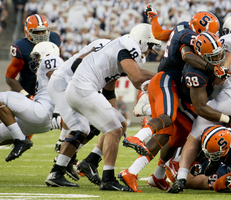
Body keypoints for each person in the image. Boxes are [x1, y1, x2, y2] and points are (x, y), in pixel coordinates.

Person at [118, 31, 231, 192]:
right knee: (187, 129)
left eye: (219, 54)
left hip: (177, 94)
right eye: (214, 56)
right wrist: (226, 118)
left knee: (173, 138)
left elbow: (212, 69)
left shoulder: (195, 48)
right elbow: (201, 107)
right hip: (171, 90)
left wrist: (219, 64)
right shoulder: (195, 70)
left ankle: (151, 175)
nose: (218, 59)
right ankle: (145, 119)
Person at [167, 13, 231, 193]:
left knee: (195, 135)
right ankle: (221, 170)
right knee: (227, 141)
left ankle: (182, 177)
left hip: (230, 100)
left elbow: (211, 49)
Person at [51, 23, 160, 191]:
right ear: (141, 40)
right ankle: (108, 179)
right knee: (114, 130)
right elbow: (137, 77)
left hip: (80, 89)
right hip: (82, 88)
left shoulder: (121, 48)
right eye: (150, 44)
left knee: (120, 124)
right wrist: (163, 77)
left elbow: (109, 86)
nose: (151, 49)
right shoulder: (127, 47)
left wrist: (115, 111)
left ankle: (79, 165)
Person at [122, 5, 228, 157]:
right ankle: (147, 112)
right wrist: (213, 69)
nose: (211, 36)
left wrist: (154, 18)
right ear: (199, 30)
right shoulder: (190, 36)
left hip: (167, 76)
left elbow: (158, 34)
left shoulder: (181, 27)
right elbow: (187, 54)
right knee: (170, 117)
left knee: (174, 127)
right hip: (171, 79)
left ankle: (155, 172)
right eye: (208, 33)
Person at [45, 39, 111, 187]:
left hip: (72, 84)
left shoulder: (113, 53)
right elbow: (77, 64)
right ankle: (57, 171)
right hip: (65, 84)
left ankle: (67, 158)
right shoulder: (107, 48)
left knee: (95, 123)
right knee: (81, 128)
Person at [0, 41, 63, 162]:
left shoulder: (51, 59)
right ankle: (20, 138)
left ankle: (21, 140)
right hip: (43, 123)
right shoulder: (51, 64)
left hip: (41, 110)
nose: (36, 59)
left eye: (38, 56)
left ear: (47, 53)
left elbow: (58, 81)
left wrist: (57, 110)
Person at [6, 14, 61, 97]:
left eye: (43, 31)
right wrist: (25, 95)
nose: (41, 35)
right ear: (27, 32)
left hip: (50, 90)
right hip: (28, 89)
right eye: (36, 32)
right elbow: (9, 78)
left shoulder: (54, 39)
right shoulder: (22, 47)